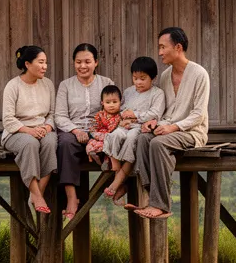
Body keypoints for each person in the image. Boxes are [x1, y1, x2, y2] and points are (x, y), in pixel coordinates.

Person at [129, 27, 210, 220]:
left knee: (158, 143)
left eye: (163, 47)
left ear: (178, 47)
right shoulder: (165, 76)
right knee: (143, 138)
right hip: (167, 128)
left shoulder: (199, 74)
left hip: (192, 132)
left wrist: (172, 127)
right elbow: (164, 109)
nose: (160, 52)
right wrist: (153, 122)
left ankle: (161, 205)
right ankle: (152, 196)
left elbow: (198, 115)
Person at [54, 43, 115, 219]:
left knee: (116, 140)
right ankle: (71, 197)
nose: (82, 66)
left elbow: (114, 109)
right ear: (74, 63)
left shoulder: (106, 83)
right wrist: (76, 131)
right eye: (78, 62)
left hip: (100, 131)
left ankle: (118, 187)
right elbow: (60, 116)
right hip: (73, 131)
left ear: (96, 62)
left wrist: (98, 132)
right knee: (64, 143)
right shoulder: (66, 85)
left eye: (87, 61)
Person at [1, 45, 57, 214]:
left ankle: (37, 192)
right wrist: (29, 130)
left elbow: (52, 113)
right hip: (16, 132)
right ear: (27, 64)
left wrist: (47, 127)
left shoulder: (48, 84)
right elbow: (8, 119)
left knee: (51, 141)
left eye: (46, 62)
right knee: (30, 143)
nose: (44, 66)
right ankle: (37, 195)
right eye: (40, 62)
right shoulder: (13, 86)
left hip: (42, 129)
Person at [103, 56, 165, 204]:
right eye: (135, 78)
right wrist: (123, 118)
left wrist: (135, 115)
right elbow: (121, 108)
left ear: (153, 78)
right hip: (125, 125)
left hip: (139, 128)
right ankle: (116, 167)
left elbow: (155, 113)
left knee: (131, 138)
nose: (138, 82)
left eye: (142, 79)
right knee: (114, 135)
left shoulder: (157, 93)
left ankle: (118, 181)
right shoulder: (128, 91)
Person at [85, 85, 123, 164]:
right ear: (102, 103)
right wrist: (96, 135)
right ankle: (95, 155)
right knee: (91, 143)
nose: (111, 105)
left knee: (108, 145)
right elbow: (94, 127)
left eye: (115, 102)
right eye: (108, 102)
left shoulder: (121, 115)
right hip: (100, 136)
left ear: (120, 101)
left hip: (112, 137)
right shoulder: (100, 115)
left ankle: (106, 160)